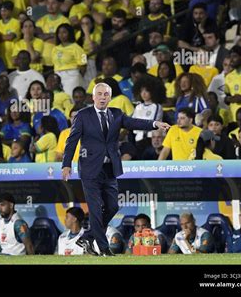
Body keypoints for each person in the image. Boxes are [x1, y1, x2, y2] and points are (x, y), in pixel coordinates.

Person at [62, 82, 170, 256]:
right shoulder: (83, 115)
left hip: (110, 169)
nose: (103, 97)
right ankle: (104, 249)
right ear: (93, 97)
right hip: (90, 170)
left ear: (110, 97)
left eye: (106, 94)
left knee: (112, 206)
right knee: (96, 209)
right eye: (100, 94)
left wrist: (155, 123)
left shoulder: (117, 114)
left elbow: (134, 122)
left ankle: (88, 237)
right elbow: (72, 141)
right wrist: (66, 164)